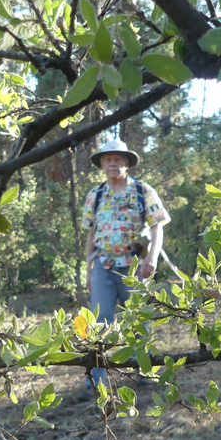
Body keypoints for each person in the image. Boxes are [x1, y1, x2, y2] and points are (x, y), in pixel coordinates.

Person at [81, 138, 170, 392]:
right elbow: (90, 234)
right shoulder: (95, 195)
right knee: (98, 323)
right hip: (102, 266)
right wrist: (88, 270)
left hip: (134, 267)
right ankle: (95, 380)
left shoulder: (144, 191)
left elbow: (157, 227)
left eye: (117, 159)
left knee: (139, 321)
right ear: (101, 164)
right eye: (107, 159)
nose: (112, 164)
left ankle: (144, 372)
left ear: (127, 163)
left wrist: (152, 258)